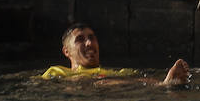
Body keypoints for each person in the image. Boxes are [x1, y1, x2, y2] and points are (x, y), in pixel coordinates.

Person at [40, 23, 188, 86]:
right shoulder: (56, 72)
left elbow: (141, 82)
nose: (89, 43)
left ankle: (167, 83)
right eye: (80, 39)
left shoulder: (121, 73)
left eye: (92, 38)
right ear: (66, 51)